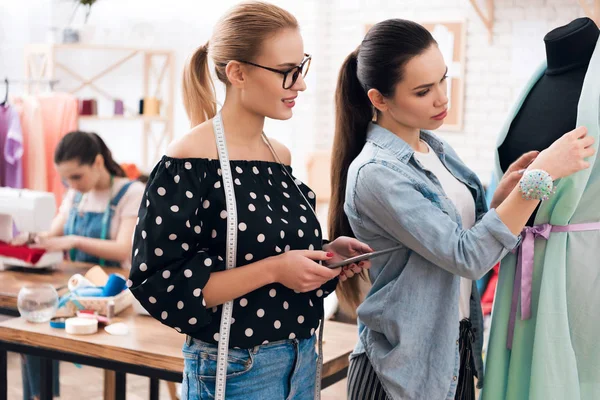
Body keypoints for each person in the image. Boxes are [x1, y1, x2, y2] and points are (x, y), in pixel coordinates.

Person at [328, 19, 594, 400]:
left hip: (454, 359)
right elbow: (467, 256)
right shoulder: (376, 174)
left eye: (443, 80)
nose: (441, 98)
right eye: (423, 91)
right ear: (378, 99)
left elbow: (464, 237)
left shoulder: (434, 149)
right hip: (402, 374)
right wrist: (541, 178)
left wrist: (502, 199)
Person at [127, 2, 371, 399]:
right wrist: (275, 269)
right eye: (287, 72)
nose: (301, 85)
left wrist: (324, 255)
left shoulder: (279, 156)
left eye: (301, 67)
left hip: (303, 358)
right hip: (236, 369)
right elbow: (159, 284)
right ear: (237, 73)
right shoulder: (189, 160)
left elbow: (265, 256)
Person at [12, 130, 144, 400]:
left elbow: (122, 249)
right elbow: (52, 234)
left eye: (76, 176)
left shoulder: (131, 193)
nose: (71, 184)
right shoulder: (76, 194)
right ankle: (41, 396)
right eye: (66, 178)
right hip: (77, 288)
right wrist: (29, 237)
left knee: (38, 327)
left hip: (112, 294)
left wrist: (74, 241)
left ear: (97, 162)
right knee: (30, 333)